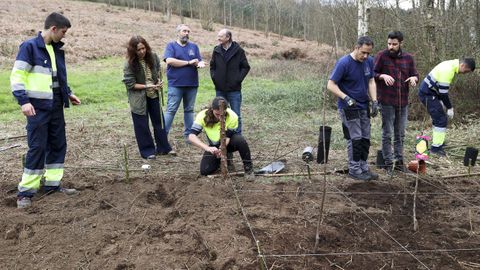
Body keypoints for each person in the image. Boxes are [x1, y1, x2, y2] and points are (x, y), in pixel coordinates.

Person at [10, 12, 81, 208]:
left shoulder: (55, 49)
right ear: (53, 29)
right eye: (63, 32)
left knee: (58, 145)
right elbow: (17, 77)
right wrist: (23, 101)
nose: (64, 36)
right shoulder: (29, 47)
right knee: (37, 147)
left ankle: (52, 185)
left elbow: (56, 77)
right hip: (37, 109)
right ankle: (25, 192)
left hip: (56, 106)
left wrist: (68, 93)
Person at [327, 36, 379, 181]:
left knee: (365, 139)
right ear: (356, 47)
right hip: (348, 107)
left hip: (364, 105)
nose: (366, 56)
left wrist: (374, 101)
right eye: (363, 52)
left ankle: (363, 167)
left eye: (368, 53)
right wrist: (346, 97)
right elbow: (331, 84)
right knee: (355, 138)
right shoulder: (344, 63)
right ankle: (354, 169)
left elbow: (371, 81)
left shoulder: (369, 61)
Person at [122, 36, 175, 160]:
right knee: (142, 125)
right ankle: (147, 151)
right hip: (139, 99)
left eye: (143, 48)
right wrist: (147, 86)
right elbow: (130, 84)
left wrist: (159, 82)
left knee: (159, 122)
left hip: (153, 95)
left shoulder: (153, 57)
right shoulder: (129, 64)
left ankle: (164, 148)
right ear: (133, 51)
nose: (142, 51)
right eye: (138, 49)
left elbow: (157, 72)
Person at [374, 31, 419, 174]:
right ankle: (388, 165)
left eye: (394, 44)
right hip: (386, 101)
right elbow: (371, 74)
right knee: (387, 133)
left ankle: (399, 163)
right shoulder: (382, 56)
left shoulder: (408, 58)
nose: (391, 47)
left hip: (403, 102)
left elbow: (415, 74)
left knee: (400, 134)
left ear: (401, 44)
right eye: (389, 44)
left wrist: (414, 79)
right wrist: (382, 75)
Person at [418, 58, 475, 156]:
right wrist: (449, 107)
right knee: (441, 119)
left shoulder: (451, 64)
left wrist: (440, 101)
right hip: (427, 93)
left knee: (439, 118)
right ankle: (436, 148)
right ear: (463, 66)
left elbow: (440, 88)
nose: (465, 73)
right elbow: (443, 93)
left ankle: (438, 142)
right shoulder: (448, 70)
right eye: (466, 71)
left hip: (431, 93)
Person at [188, 97, 254, 179]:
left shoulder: (233, 116)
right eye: (217, 114)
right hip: (213, 146)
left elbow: (228, 137)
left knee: (240, 140)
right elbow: (191, 136)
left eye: (222, 115)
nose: (220, 117)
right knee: (205, 171)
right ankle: (220, 161)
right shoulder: (202, 115)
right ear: (212, 109)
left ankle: (248, 169)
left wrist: (221, 149)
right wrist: (207, 148)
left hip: (228, 143)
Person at [163, 24, 206, 141]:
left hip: (192, 84)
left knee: (189, 110)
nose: (186, 33)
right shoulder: (171, 46)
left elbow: (198, 61)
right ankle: (162, 137)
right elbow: (169, 60)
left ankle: (189, 137)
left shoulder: (194, 47)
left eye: (188, 31)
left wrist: (200, 64)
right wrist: (188, 62)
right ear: (178, 33)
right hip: (176, 84)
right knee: (171, 110)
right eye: (184, 31)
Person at [210, 29, 250, 134]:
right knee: (220, 113)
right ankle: (222, 135)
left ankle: (237, 137)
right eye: (218, 36)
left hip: (234, 90)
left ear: (228, 37)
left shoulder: (239, 51)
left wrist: (237, 80)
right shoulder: (216, 50)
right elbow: (212, 66)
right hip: (220, 89)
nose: (218, 38)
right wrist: (215, 79)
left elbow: (245, 67)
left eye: (220, 36)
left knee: (236, 114)